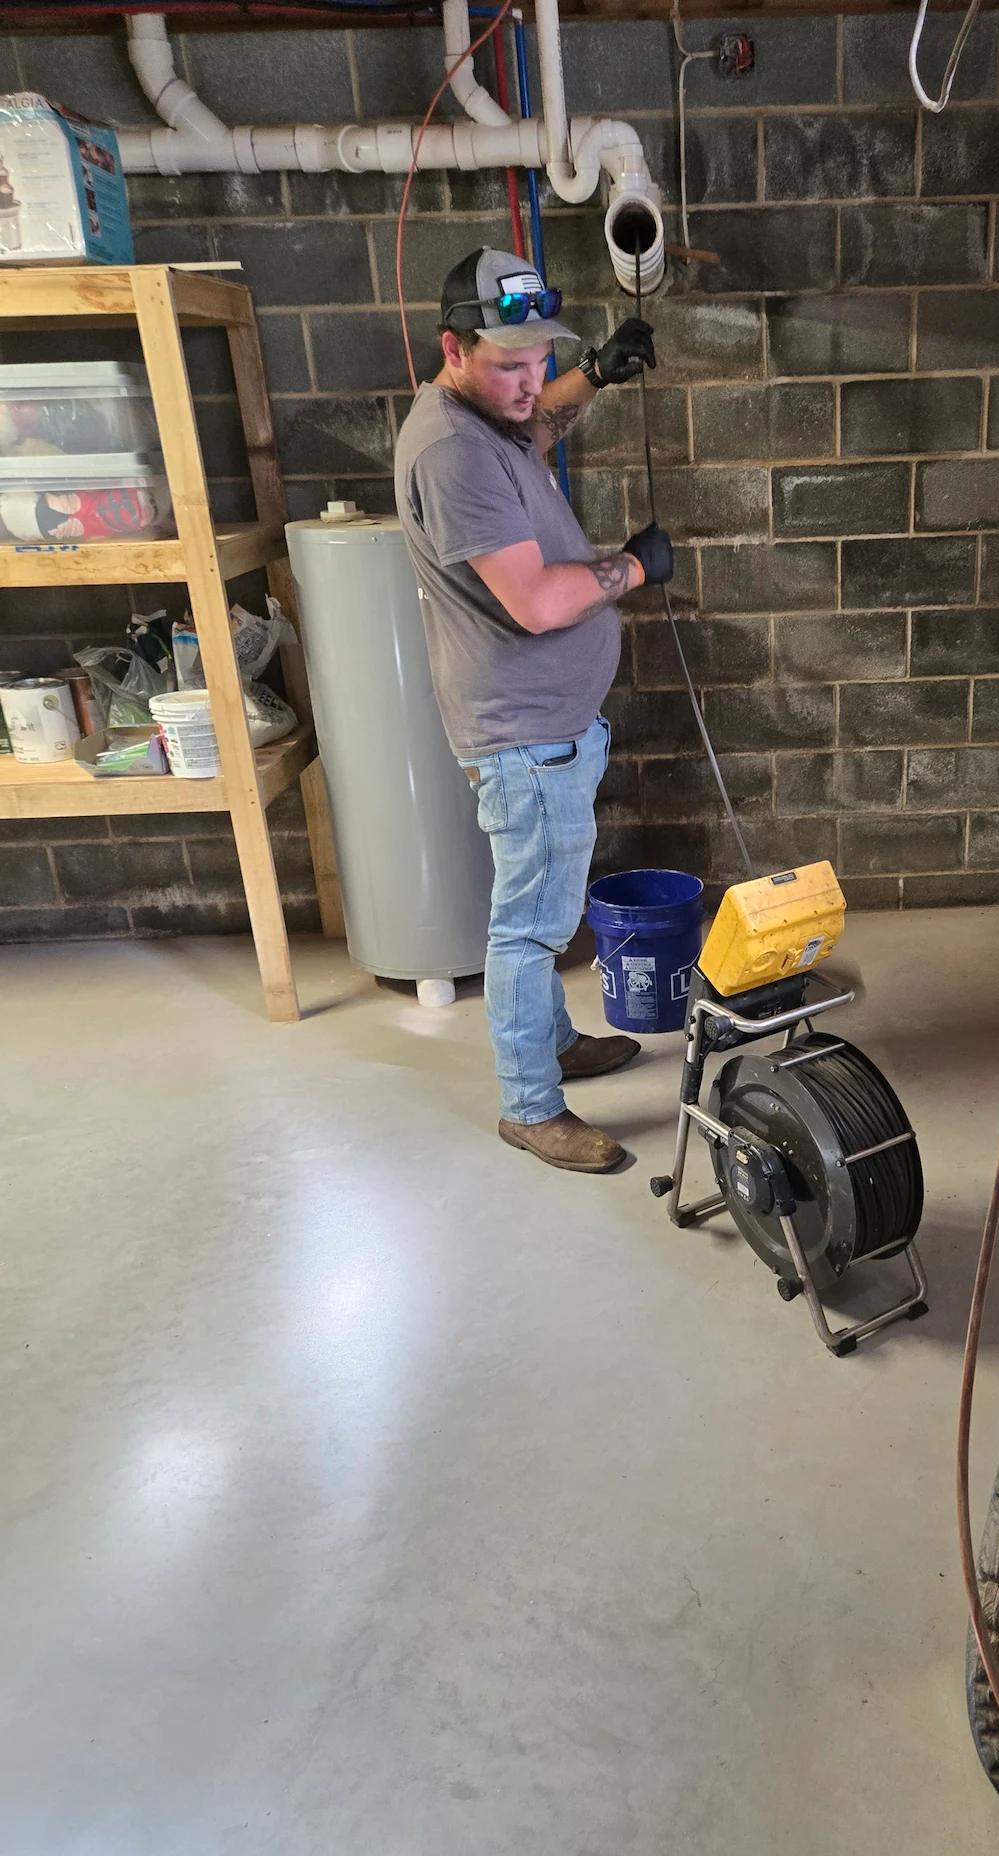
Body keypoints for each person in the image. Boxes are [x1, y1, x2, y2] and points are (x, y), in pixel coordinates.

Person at [395, 247, 673, 1174]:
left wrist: (591, 373)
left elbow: (536, 425)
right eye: (508, 364)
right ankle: (529, 1105)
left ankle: (552, 1044)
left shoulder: (487, 416)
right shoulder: (449, 450)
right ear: (453, 347)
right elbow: (538, 602)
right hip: (526, 736)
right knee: (530, 927)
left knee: (541, 905)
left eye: (537, 359)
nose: (528, 383)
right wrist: (635, 567)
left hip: (550, 727)